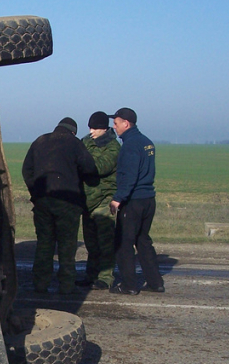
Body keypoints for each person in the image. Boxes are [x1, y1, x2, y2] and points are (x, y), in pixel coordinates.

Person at [22, 117, 98, 294]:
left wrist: (36, 192)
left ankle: (40, 284)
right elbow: (89, 168)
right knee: (67, 245)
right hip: (68, 202)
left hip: (43, 201)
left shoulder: (39, 141)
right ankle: (66, 285)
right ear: (73, 131)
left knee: (44, 243)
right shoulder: (75, 143)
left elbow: (27, 170)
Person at [108, 107, 165, 295]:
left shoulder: (130, 145)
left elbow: (129, 175)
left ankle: (129, 285)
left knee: (124, 243)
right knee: (143, 240)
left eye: (116, 124)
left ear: (126, 124)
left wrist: (118, 199)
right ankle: (155, 282)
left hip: (133, 201)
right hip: (149, 199)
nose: (114, 127)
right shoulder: (146, 142)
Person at [76, 111, 120, 290]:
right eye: (90, 127)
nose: (91, 131)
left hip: (104, 200)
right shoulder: (85, 141)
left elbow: (100, 167)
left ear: (104, 128)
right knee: (91, 243)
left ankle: (105, 278)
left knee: (106, 242)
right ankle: (91, 275)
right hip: (87, 201)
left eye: (95, 128)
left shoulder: (113, 147)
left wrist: (78, 161)